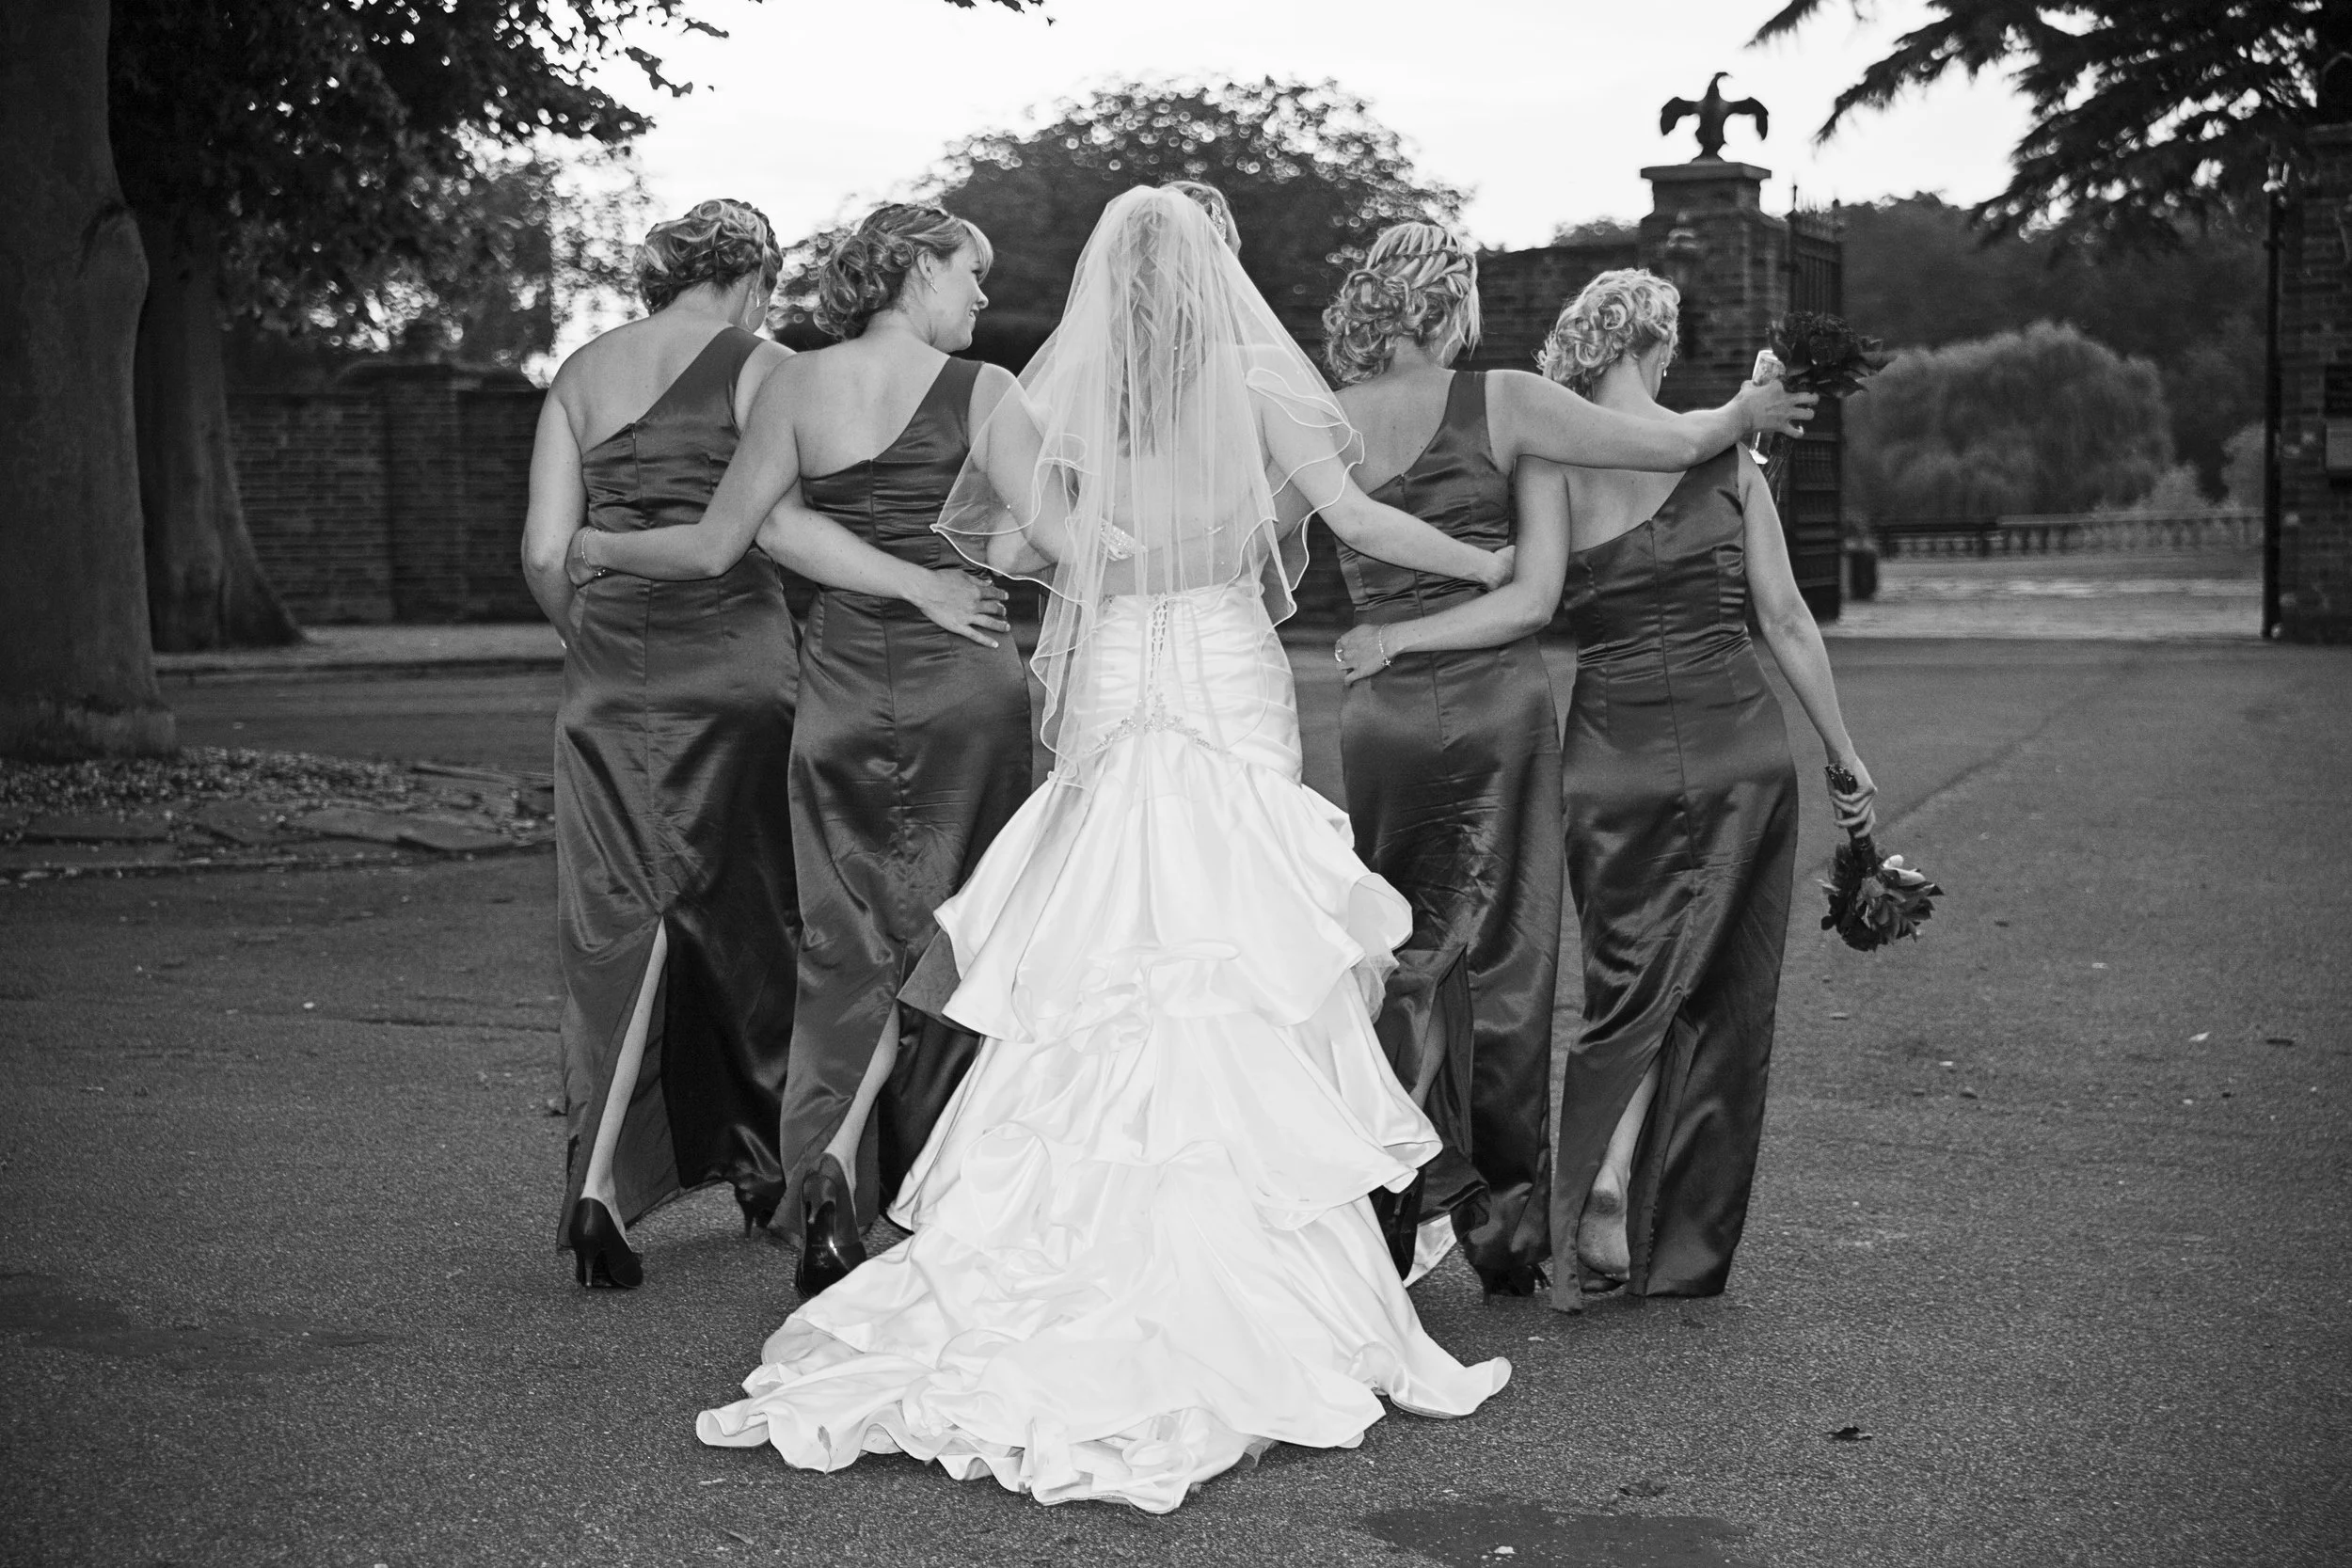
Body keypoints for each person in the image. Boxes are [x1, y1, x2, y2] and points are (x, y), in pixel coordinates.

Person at [692, 187, 1522, 1512]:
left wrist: (1097, 549)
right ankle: (1270, 1260)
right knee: (1249, 936)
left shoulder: (1064, 398)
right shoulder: (1256, 381)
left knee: (1112, 945)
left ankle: (1049, 1247)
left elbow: (1025, 545)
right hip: (1224, 671)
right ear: (1215, 278)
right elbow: (1357, 526)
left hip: (1126, 673)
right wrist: (1486, 568)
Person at [1323, 225, 1817, 1295]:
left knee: (1397, 952)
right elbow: (1662, 452)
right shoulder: (1502, 398)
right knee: (1504, 963)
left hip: (1378, 717)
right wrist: (1742, 411)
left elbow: (1262, 533)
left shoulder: (1324, 420)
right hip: (1496, 702)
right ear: (1448, 305)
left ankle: (1381, 1206)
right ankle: (1503, 1228)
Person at [566, 202, 1028, 1300]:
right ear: (918, 269)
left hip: (837, 689)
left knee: (842, 939)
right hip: (965, 685)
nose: (980, 295)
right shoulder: (989, 392)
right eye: (971, 271)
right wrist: (955, 570)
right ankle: (938, 1184)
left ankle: (823, 1176)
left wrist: (594, 544)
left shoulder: (796, 383)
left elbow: (756, 533)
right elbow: (1038, 532)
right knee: (969, 924)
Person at [1531, 270, 1877, 1304]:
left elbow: (1530, 598)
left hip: (1610, 753)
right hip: (1735, 743)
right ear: (1657, 346)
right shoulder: (1723, 449)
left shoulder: (1553, 458)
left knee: (1631, 976)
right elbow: (1785, 620)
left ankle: (1602, 1172)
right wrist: (1844, 754)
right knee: (1716, 990)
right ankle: (1645, 1200)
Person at [519, 198, 801, 1289]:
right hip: (737, 666)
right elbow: (770, 529)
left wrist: (586, 637)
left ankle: (596, 1194)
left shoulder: (582, 371)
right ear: (752, 276)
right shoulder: (762, 365)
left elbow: (548, 548)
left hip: (605, 676)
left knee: (616, 931)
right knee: (747, 916)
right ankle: (764, 1163)